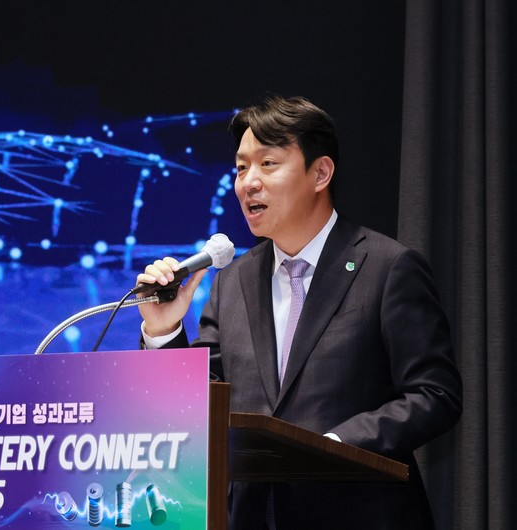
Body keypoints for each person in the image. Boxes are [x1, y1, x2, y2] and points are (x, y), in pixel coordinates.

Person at [136, 95, 462, 529]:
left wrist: (336, 444)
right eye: (241, 168)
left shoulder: (387, 267)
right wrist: (163, 332)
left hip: (356, 515)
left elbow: (434, 395)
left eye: (268, 164)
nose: (248, 182)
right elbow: (199, 406)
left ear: (320, 173)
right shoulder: (233, 280)